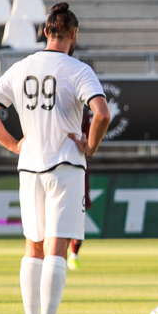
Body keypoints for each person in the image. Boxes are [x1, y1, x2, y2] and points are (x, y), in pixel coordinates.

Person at [0, 2, 111, 314]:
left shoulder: (21, 67)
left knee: (32, 247)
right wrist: (90, 146)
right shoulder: (78, 69)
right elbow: (102, 114)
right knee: (56, 248)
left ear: (46, 32)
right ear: (73, 34)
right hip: (64, 165)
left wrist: (13, 144)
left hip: (29, 165)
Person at [68, 108, 92, 271]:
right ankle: (56, 257)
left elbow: (89, 143)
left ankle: (74, 254)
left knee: (78, 214)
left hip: (76, 166)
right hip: (52, 166)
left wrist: (86, 146)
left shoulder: (83, 114)